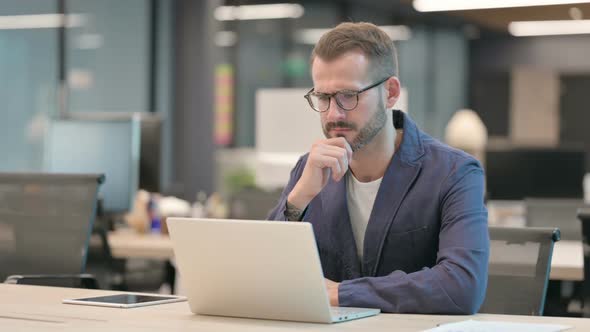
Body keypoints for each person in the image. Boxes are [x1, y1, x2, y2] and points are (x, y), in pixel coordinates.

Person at [267, 22, 489, 314]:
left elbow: (462, 286)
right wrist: (297, 201)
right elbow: (265, 272)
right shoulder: (309, 170)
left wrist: (342, 293)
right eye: (323, 97)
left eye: (349, 95)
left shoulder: (454, 173)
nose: (334, 113)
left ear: (391, 92)